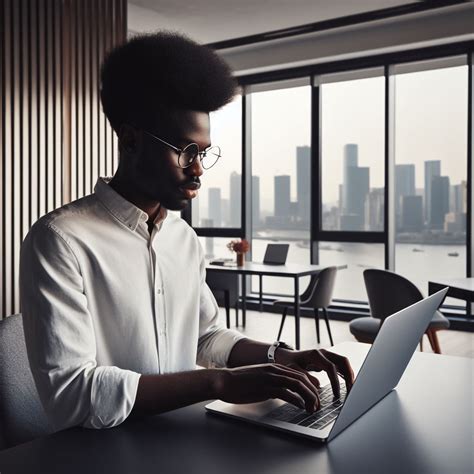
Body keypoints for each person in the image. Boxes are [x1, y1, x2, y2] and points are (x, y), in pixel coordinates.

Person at [20, 31, 354, 432]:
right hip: (103, 452)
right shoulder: (61, 241)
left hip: (185, 435)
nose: (196, 169)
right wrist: (219, 382)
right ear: (130, 141)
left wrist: (278, 356)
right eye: (185, 151)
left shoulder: (182, 239)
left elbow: (207, 337)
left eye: (203, 152)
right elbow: (71, 394)